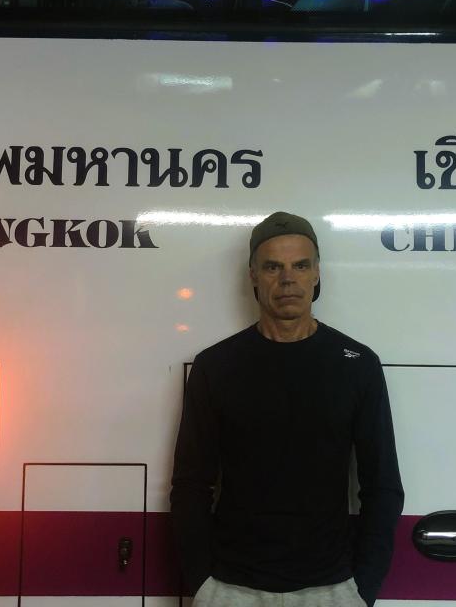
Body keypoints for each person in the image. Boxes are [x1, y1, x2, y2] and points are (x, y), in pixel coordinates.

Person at [170, 211, 404, 607]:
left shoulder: (356, 364)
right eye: (272, 267)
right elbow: (191, 485)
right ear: (253, 276)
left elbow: (382, 486)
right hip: (230, 590)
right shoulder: (216, 366)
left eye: (300, 265)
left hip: (331, 591)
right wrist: (202, 583)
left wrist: (362, 589)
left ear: (316, 273)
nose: (287, 279)